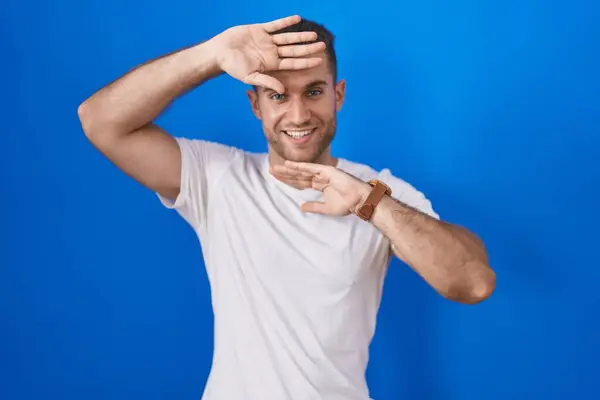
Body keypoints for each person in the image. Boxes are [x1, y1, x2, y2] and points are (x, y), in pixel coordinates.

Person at [78, 14, 496, 400]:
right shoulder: (217, 177)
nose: (298, 114)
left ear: (338, 96)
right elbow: (99, 121)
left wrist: (369, 203)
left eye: (314, 92)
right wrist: (211, 54)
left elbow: (473, 282)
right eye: (277, 95)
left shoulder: (376, 191)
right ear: (255, 105)